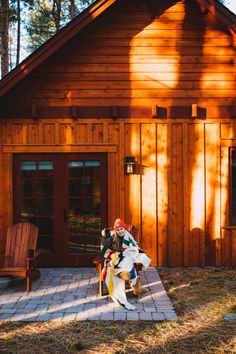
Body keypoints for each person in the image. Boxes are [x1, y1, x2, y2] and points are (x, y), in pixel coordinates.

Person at [100, 218, 151, 310]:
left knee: (132, 258)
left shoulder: (128, 235)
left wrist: (132, 250)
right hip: (115, 257)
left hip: (126, 254)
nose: (120, 231)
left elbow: (133, 244)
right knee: (126, 260)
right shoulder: (111, 237)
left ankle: (132, 281)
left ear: (124, 228)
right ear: (115, 230)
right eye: (118, 229)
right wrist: (104, 237)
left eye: (121, 229)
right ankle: (124, 275)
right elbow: (105, 249)